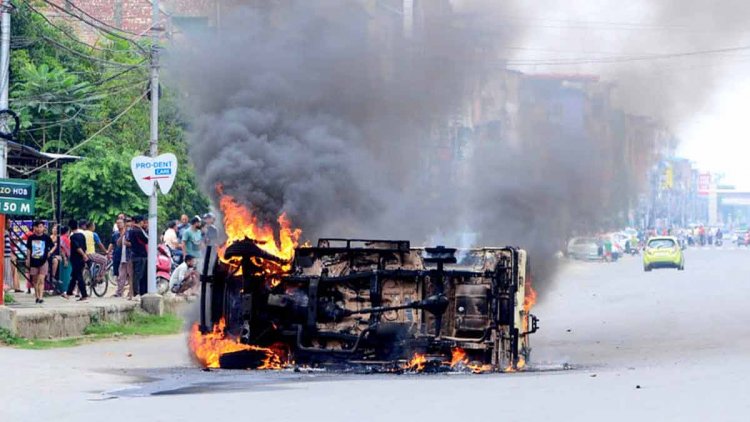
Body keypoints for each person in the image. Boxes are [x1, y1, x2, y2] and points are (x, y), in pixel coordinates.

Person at [25, 221, 54, 304]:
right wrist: (28, 260)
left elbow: (53, 246)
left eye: (41, 227)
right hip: (33, 261)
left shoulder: (46, 237)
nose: (40, 228)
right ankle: (37, 296)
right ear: (35, 228)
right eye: (38, 227)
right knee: (35, 281)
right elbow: (28, 249)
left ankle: (41, 297)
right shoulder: (31, 238)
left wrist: (50, 252)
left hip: (44, 261)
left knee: (41, 280)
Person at [63, 219, 89, 302]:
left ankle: (84, 295)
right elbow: (85, 247)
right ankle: (68, 293)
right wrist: (85, 255)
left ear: (70, 227)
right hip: (81, 259)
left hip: (76, 259)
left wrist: (83, 255)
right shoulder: (82, 235)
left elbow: (77, 247)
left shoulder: (73, 237)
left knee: (78, 277)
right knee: (74, 277)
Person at [113, 218, 134, 299]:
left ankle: (131, 293)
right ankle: (119, 292)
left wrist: (127, 243)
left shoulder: (132, 232)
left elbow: (133, 244)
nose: (128, 224)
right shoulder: (121, 233)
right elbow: (118, 243)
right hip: (123, 257)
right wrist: (122, 235)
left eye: (129, 222)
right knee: (121, 276)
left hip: (129, 257)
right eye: (127, 222)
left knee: (130, 276)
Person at [129, 215, 149, 298]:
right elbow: (147, 239)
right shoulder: (138, 231)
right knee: (138, 275)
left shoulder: (132, 230)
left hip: (135, 255)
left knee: (139, 275)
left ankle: (140, 292)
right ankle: (137, 293)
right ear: (140, 222)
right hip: (140, 255)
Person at [59, 226, 72, 294]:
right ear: (67, 231)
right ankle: (65, 289)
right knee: (66, 275)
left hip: (62, 258)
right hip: (66, 259)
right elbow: (65, 249)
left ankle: (61, 289)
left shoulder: (60, 238)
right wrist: (65, 258)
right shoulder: (65, 239)